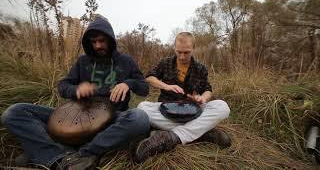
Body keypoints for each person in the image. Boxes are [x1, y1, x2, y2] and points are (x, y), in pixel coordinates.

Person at [1, 14, 150, 169]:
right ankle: (57, 156)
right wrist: (76, 89)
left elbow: (144, 88)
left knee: (140, 118)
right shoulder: (83, 61)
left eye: (102, 41)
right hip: (74, 114)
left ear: (110, 39)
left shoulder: (126, 61)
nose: (98, 46)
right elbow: (63, 86)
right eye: (93, 42)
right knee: (14, 112)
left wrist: (128, 83)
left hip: (111, 117)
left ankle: (80, 153)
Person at [134, 32, 231, 163]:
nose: (182, 56)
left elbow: (208, 90)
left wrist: (202, 98)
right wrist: (165, 86)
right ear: (174, 47)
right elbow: (149, 77)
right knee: (142, 107)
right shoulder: (165, 63)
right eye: (179, 52)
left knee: (222, 106)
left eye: (186, 52)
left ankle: (172, 136)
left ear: (193, 49)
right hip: (166, 111)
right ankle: (202, 133)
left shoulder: (200, 69)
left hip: (192, 112)